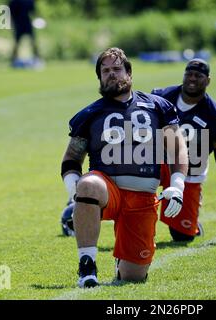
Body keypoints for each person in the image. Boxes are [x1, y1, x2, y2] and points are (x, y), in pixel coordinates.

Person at [60, 47, 188, 288]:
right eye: (105, 70)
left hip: (143, 197)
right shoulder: (89, 114)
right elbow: (71, 158)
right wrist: (73, 191)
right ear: (99, 77)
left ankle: (124, 263)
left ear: (129, 73)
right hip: (107, 190)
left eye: (117, 69)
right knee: (87, 184)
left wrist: (178, 185)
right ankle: (87, 265)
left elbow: (177, 148)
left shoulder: (158, 106)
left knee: (133, 277)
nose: (111, 74)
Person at [152, 58, 216, 242]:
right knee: (134, 192)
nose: (192, 79)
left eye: (198, 76)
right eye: (189, 74)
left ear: (207, 80)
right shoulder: (160, 98)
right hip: (156, 163)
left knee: (182, 235)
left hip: (189, 172)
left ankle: (192, 222)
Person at [8, 0, 41, 67]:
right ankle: (13, 60)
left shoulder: (28, 1)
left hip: (26, 23)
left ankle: (37, 58)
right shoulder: (15, 1)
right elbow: (10, 13)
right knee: (17, 42)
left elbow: (33, 12)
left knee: (33, 41)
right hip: (19, 23)